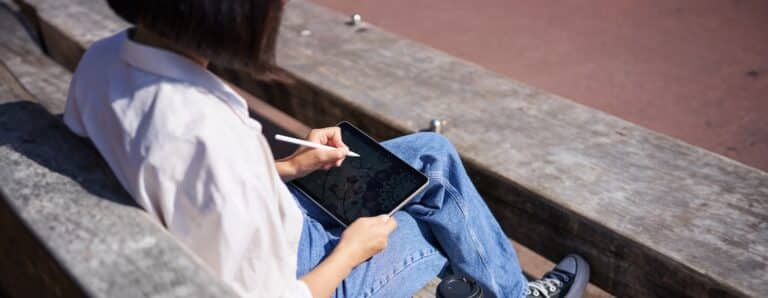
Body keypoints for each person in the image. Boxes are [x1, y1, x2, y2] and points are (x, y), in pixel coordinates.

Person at [63, 0, 590, 297]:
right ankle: (512, 296)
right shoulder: (203, 131)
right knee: (433, 210)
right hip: (306, 276)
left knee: (430, 154)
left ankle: (494, 288)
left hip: (258, 230)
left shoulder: (104, 62)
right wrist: (351, 251)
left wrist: (288, 167)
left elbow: (188, 183)